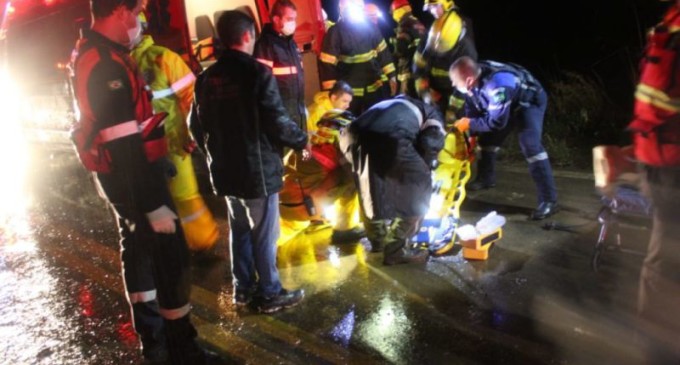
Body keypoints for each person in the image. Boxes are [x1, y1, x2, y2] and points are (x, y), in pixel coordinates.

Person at [69, 0, 214, 363]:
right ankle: (181, 348)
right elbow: (123, 142)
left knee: (138, 253)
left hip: (122, 176)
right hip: (132, 179)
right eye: (135, 12)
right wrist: (153, 204)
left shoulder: (97, 53)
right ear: (120, 10)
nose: (137, 21)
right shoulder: (105, 65)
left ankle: (156, 342)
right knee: (171, 260)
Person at [190, 10, 308, 314]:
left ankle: (243, 289)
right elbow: (277, 121)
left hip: (226, 171)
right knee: (264, 233)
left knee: (240, 229)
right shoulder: (257, 73)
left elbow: (195, 126)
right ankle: (269, 293)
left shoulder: (206, 78)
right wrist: (301, 139)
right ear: (247, 36)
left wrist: (215, 154)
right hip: (258, 172)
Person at [130, 16, 219, 252]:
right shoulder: (120, 64)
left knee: (186, 197)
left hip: (173, 144)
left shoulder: (162, 58)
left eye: (133, 23)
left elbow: (193, 97)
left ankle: (203, 244)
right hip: (141, 151)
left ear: (142, 27)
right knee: (154, 201)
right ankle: (171, 247)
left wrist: (191, 136)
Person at [629, 1, 680, 361]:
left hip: (659, 161)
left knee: (662, 257)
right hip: (672, 166)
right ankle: (658, 349)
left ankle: (654, 343)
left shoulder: (669, 25)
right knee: (666, 257)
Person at [449, 56, 558, 220]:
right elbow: (473, 109)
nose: (453, 85)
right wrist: (471, 138)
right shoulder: (472, 80)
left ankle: (549, 201)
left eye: (455, 82)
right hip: (507, 102)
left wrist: (469, 123)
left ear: (469, 80)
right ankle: (486, 178)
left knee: (531, 147)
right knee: (486, 141)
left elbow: (496, 122)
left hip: (528, 102)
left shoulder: (498, 85)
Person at [342, 95, 445, 265]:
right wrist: (428, 171)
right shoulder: (433, 116)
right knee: (418, 189)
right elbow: (429, 144)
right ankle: (396, 250)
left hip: (351, 136)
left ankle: (378, 241)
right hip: (390, 137)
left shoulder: (391, 104)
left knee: (371, 188)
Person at [279, 110, 364, 245]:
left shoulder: (307, 141)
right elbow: (355, 175)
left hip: (282, 207)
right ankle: (345, 230)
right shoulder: (340, 145)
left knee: (288, 228)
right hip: (307, 208)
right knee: (353, 182)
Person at [319, 0, 397, 115]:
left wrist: (392, 77)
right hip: (350, 93)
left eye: (360, 8)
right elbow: (327, 64)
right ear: (344, 10)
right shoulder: (335, 32)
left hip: (373, 87)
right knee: (351, 124)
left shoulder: (370, 27)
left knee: (375, 121)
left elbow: (383, 53)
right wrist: (331, 92)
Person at [413, 0, 476, 120]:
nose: (432, 11)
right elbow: (419, 64)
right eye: (430, 8)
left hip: (456, 91)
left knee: (456, 125)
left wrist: (452, 111)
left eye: (435, 6)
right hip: (435, 90)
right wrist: (424, 89)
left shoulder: (463, 39)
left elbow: (464, 80)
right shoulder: (433, 31)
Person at [254, 0, 306, 134]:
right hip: (280, 115)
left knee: (300, 152)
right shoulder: (265, 45)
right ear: (276, 19)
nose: (293, 23)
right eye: (289, 19)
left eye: (294, 19)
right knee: (285, 154)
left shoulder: (291, 43)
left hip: (297, 111)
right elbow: (262, 84)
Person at [389, 0, 425, 96]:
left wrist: (391, 55)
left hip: (408, 71)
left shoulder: (404, 24)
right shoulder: (418, 23)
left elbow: (401, 50)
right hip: (420, 69)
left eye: (393, 13)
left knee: (406, 100)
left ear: (398, 11)